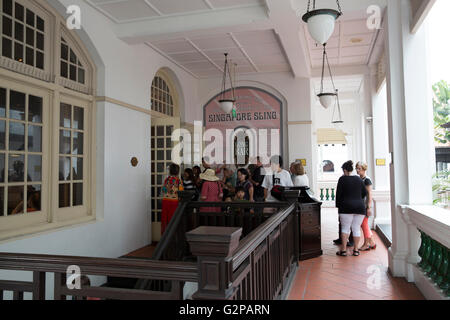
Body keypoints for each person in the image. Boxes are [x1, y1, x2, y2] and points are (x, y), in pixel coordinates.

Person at [335, 161, 367, 257]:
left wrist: (338, 206)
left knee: (345, 228)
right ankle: (356, 250)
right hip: (359, 207)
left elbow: (338, 194)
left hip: (346, 207)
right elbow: (364, 193)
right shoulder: (359, 179)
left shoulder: (342, 179)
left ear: (345, 170)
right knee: (356, 228)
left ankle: (344, 250)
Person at [356, 161, 377, 251]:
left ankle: (366, 244)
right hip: (361, 205)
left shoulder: (367, 180)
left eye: (359, 169)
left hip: (365, 206)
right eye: (356, 168)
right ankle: (372, 243)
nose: (357, 170)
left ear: (364, 169)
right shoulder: (360, 179)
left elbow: (370, 194)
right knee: (364, 225)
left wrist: (369, 207)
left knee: (364, 224)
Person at [161, 163, 184, 234]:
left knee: (166, 219)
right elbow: (181, 192)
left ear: (170, 171)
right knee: (173, 219)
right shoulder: (178, 180)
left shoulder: (166, 180)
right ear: (177, 171)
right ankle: (173, 237)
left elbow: (163, 190)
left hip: (165, 201)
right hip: (174, 202)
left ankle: (165, 237)